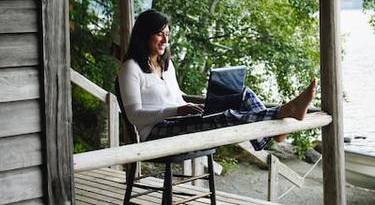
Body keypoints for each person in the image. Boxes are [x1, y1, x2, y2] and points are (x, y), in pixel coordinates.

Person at [118, 9, 316, 150]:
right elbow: (134, 115)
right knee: (226, 117)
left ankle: (280, 122)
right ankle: (283, 113)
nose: (165, 40)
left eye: (167, 35)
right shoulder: (130, 68)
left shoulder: (167, 66)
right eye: (159, 34)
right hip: (156, 132)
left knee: (240, 94)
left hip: (182, 120)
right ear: (145, 35)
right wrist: (178, 110)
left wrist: (207, 106)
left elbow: (179, 98)